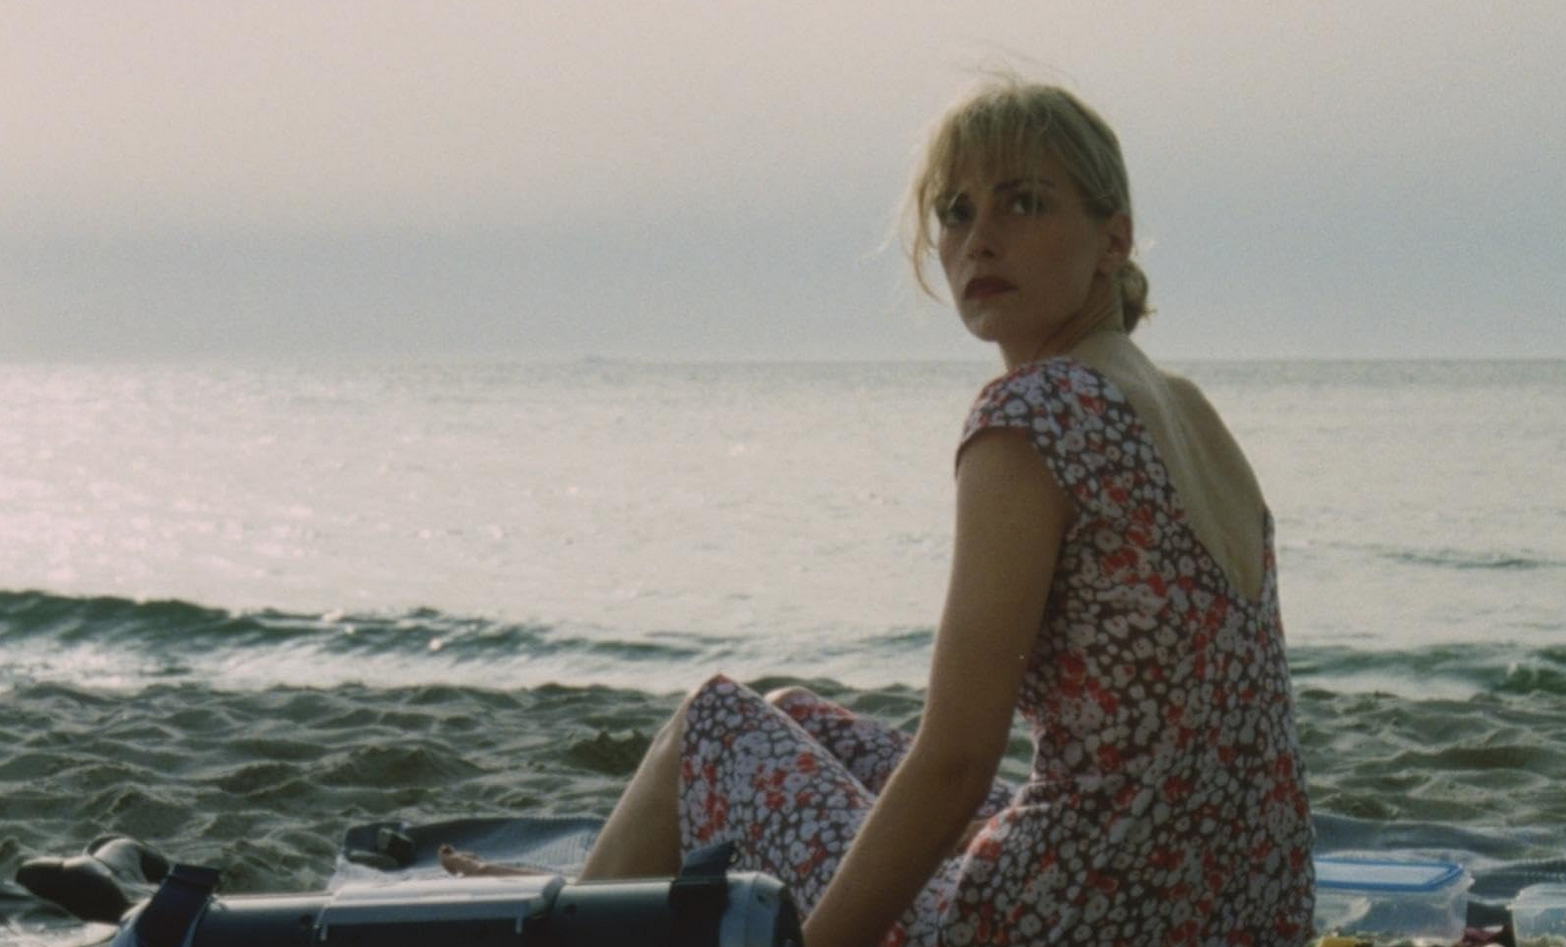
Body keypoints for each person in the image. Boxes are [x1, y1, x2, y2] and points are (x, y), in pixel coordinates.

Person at [447, 77, 1316, 946]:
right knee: (790, 712)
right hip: (1241, 911)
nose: (980, 238)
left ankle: (576, 925)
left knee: (712, 724)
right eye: (956, 211)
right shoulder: (1186, 408)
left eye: (1023, 202)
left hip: (1072, 922)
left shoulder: (1035, 413)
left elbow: (956, 764)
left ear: (1111, 237)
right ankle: (611, 888)